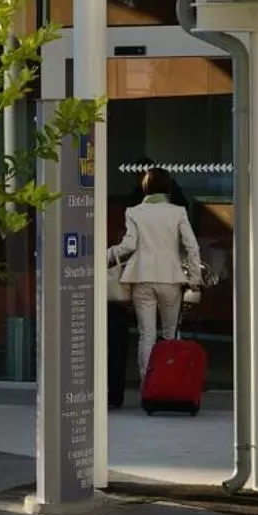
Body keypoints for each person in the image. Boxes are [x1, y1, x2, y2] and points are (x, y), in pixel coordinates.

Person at [107, 166, 202, 392]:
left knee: (146, 335)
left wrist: (105, 255)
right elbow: (192, 246)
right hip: (171, 277)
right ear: (168, 186)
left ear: (145, 187)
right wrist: (195, 279)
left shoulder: (134, 212)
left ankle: (147, 385)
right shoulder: (178, 212)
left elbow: (129, 245)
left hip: (142, 277)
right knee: (171, 333)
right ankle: (172, 384)